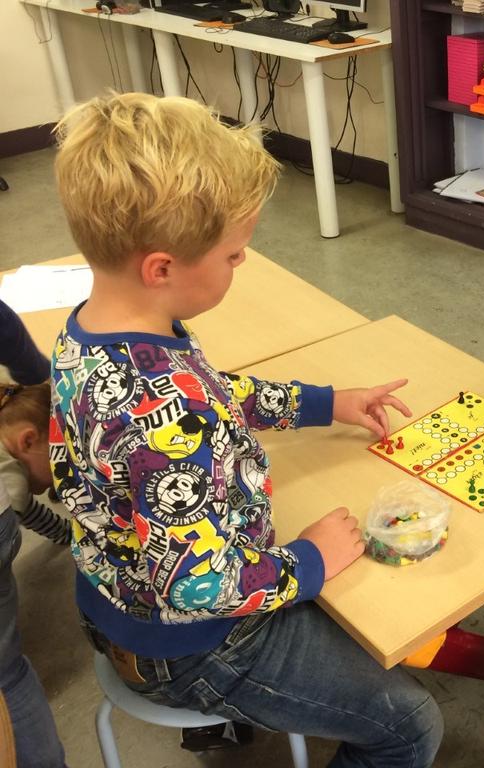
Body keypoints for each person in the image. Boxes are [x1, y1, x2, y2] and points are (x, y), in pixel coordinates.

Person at [48, 92, 442, 768]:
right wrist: (310, 560)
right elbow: (196, 589)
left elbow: (209, 395)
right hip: (196, 640)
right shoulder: (156, 412)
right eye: (233, 255)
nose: (243, 264)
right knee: (411, 724)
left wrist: (325, 403)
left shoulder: (99, 329)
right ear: (162, 268)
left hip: (115, 595)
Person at [1, 308, 69, 768]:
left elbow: (34, 514)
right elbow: (26, 511)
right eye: (59, 461)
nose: (59, 483)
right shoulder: (11, 484)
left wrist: (67, 532)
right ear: (28, 441)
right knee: (7, 675)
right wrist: (76, 535)